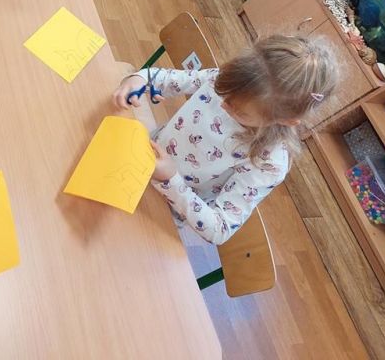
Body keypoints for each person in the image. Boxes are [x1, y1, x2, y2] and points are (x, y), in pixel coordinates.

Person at [113, 35, 338, 243]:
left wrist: (171, 179)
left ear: (287, 120)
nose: (223, 104)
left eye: (240, 112)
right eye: (223, 92)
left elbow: (219, 229)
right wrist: (140, 79)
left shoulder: (268, 161)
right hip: (137, 157)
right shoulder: (227, 82)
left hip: (162, 208)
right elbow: (166, 79)